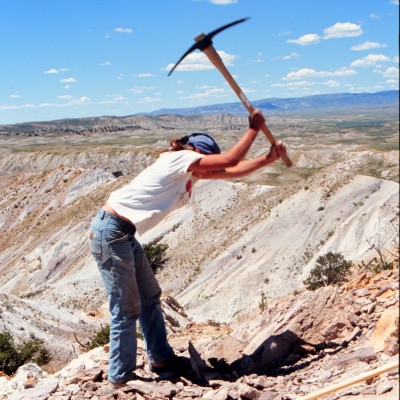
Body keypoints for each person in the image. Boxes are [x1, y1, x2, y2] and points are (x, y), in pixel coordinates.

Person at [88, 109, 286, 390]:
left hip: (123, 233)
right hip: (111, 230)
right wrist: (253, 129)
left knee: (150, 296)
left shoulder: (188, 173)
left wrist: (269, 158)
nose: (205, 170)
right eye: (203, 161)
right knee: (126, 307)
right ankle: (120, 377)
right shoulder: (177, 159)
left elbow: (231, 170)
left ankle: (161, 359)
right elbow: (230, 159)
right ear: (194, 152)